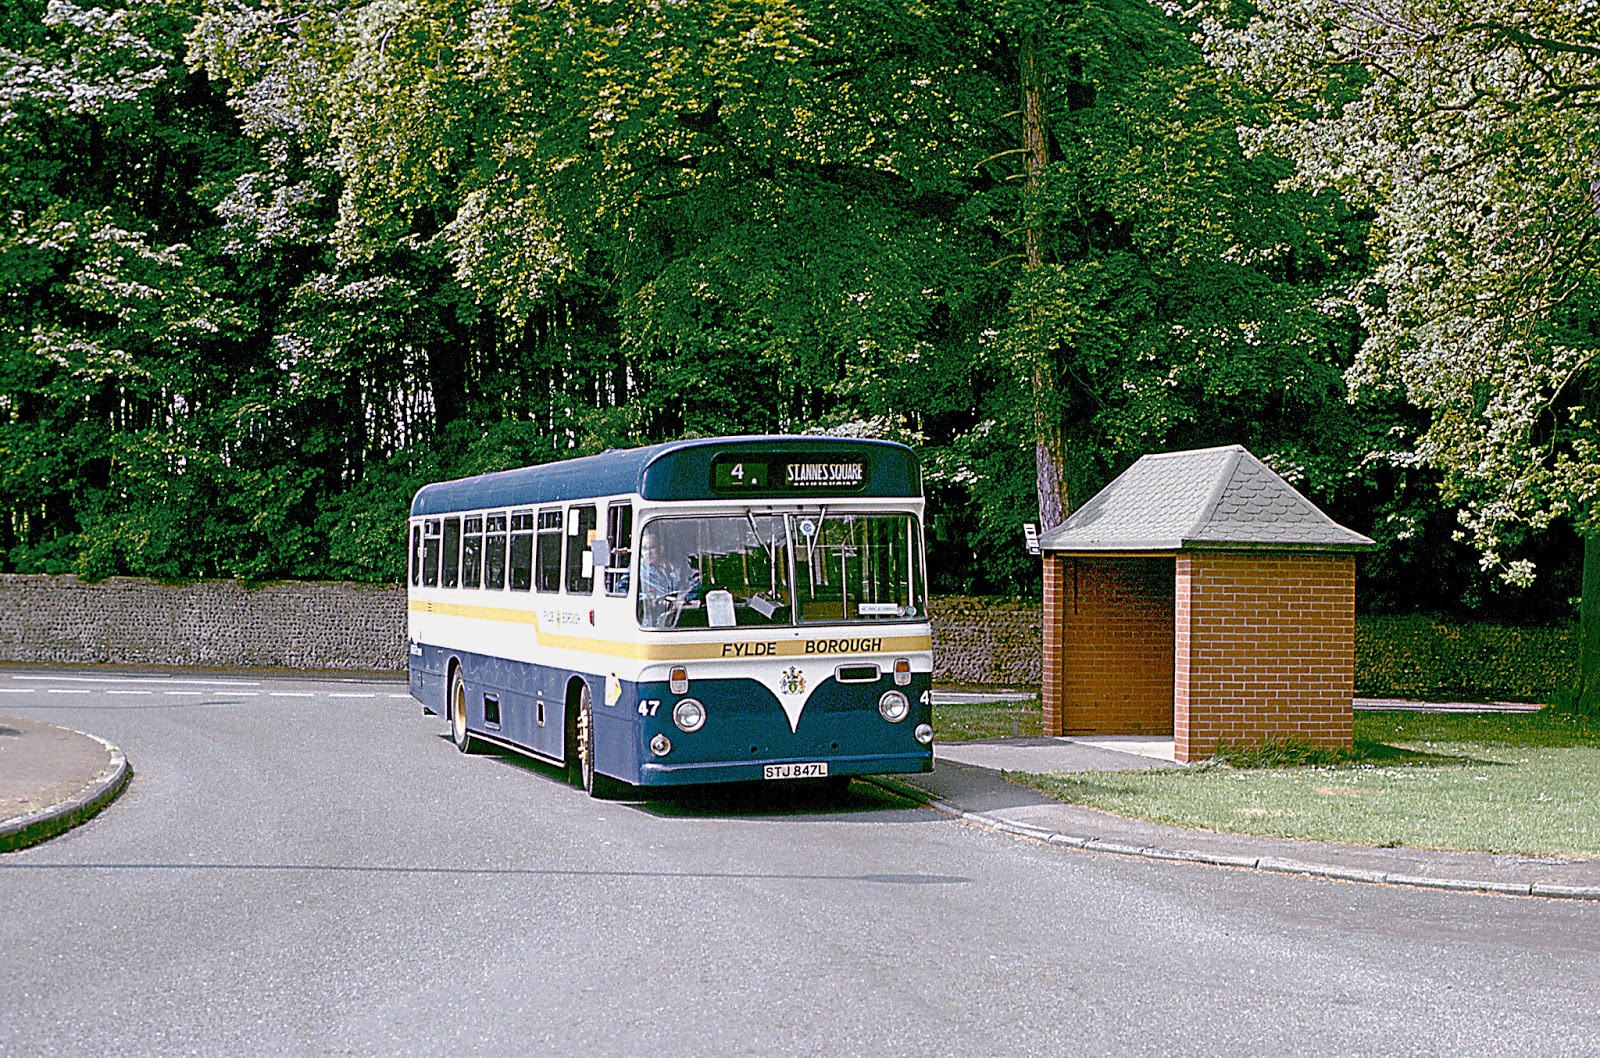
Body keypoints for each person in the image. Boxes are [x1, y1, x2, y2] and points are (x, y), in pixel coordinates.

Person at [639, 533, 700, 627]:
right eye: (644, 549)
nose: (648, 553)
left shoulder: (679, 565)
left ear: (661, 548)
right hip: (651, 623)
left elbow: (696, 583)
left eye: (652, 548)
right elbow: (622, 590)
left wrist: (684, 598)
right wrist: (648, 600)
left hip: (680, 617)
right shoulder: (637, 568)